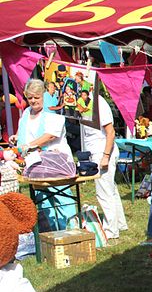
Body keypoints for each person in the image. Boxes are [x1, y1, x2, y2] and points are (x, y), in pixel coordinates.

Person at [9, 79, 76, 230]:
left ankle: (71, 230)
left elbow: (50, 136)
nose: (33, 101)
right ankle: (51, 234)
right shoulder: (26, 112)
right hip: (36, 165)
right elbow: (23, 133)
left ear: (43, 96)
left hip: (56, 165)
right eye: (30, 97)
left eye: (36, 97)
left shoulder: (51, 112)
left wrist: (30, 145)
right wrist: (16, 138)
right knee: (43, 200)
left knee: (62, 197)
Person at [82, 96, 128, 243]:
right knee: (111, 190)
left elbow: (111, 132)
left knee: (104, 192)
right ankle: (120, 224)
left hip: (102, 151)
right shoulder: (84, 102)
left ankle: (110, 231)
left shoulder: (99, 103)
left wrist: (105, 156)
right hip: (97, 151)